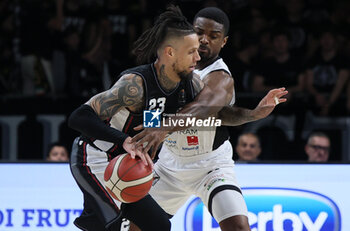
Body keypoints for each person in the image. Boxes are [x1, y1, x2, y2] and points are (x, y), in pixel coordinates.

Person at [132, 7, 288, 231]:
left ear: (223, 42)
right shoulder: (170, 65)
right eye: (199, 32)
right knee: (133, 228)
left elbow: (205, 108)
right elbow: (224, 115)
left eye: (213, 36)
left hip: (210, 167)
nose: (204, 40)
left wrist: (162, 129)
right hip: (169, 166)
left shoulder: (220, 76)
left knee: (239, 228)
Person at [68, 6, 203, 231]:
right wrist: (123, 140)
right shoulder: (134, 85)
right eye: (191, 52)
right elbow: (78, 117)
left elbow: (215, 112)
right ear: (170, 52)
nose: (198, 58)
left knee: (158, 225)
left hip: (128, 164)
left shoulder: (191, 84)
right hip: (95, 158)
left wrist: (252, 113)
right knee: (118, 226)